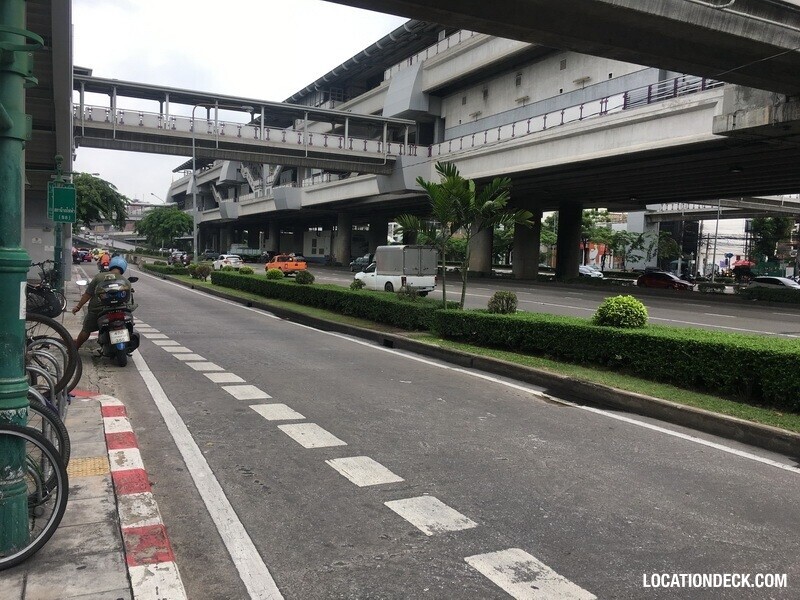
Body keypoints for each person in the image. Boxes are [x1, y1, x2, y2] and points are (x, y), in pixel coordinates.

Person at [72, 256, 130, 349]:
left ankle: (75, 349)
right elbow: (127, 300)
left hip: (97, 310)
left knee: (86, 330)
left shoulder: (99, 277)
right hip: (119, 310)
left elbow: (88, 294)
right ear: (123, 267)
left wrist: (78, 306)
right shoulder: (126, 281)